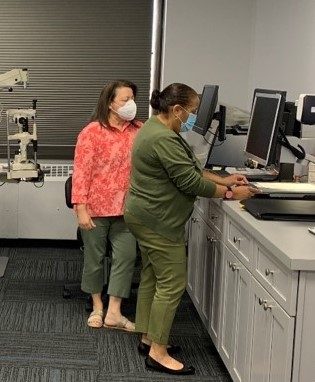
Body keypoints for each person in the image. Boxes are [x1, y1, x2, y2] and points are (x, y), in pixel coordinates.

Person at [124, 83, 259, 375]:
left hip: (144, 215)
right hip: (157, 220)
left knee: (153, 275)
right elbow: (190, 183)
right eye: (193, 112)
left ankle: (148, 338)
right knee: (172, 283)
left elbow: (191, 168)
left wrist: (224, 180)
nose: (194, 117)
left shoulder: (155, 128)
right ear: (176, 110)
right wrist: (229, 194)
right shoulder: (164, 139)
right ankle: (157, 353)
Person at [72, 80, 142, 331]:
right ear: (111, 103)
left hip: (127, 209)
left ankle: (114, 312)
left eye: (132, 98)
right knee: (95, 259)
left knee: (126, 257)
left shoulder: (139, 131)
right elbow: (81, 172)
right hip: (96, 209)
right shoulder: (92, 132)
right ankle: (97, 307)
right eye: (125, 99)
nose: (130, 104)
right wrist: (80, 207)